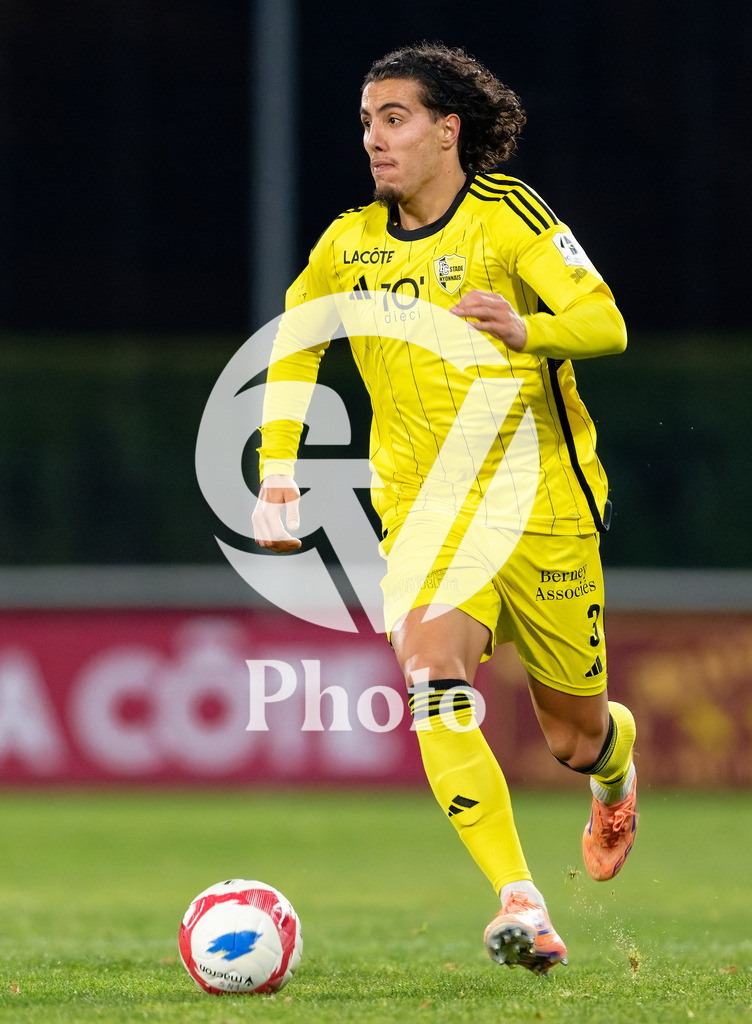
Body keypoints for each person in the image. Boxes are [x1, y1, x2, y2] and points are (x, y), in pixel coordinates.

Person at [252, 42, 638, 976]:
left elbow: (607, 324)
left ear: (446, 129)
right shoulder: (350, 244)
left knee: (571, 737)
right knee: (433, 684)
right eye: (366, 122)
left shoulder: (511, 219)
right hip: (427, 513)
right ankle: (522, 902)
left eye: (394, 118)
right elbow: (298, 347)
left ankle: (617, 770)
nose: (375, 140)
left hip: (542, 502)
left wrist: (529, 327)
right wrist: (276, 471)